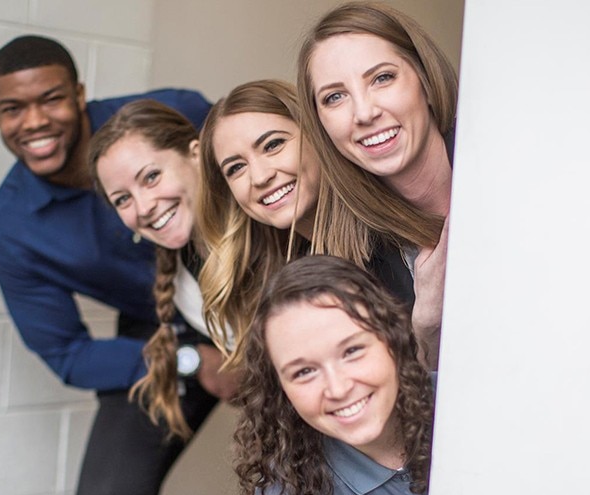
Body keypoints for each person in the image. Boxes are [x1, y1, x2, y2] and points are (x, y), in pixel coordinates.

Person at [0, 35, 215, 495]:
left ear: (79, 95)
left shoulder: (170, 114)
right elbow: (68, 352)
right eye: (13, 109)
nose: (34, 122)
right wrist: (190, 362)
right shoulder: (11, 230)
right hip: (160, 329)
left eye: (51, 99)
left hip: (262, 284)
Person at [197, 80, 413, 364]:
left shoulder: (396, 235)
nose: (260, 177)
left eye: (273, 145)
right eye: (236, 168)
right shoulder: (280, 282)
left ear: (317, 133)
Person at [296, 2, 459, 369]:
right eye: (335, 97)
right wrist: (427, 327)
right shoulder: (356, 264)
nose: (364, 113)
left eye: (382, 78)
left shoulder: (516, 168)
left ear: (427, 83)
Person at [89, 99, 239, 439]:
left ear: (196, 154)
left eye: (152, 177)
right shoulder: (182, 280)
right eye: (122, 200)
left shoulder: (270, 229)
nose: (143, 207)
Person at [234, 254, 435, 495]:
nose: (338, 389)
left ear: (392, 339)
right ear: (281, 391)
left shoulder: (469, 403)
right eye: (304, 372)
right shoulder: (288, 493)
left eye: (351, 351)